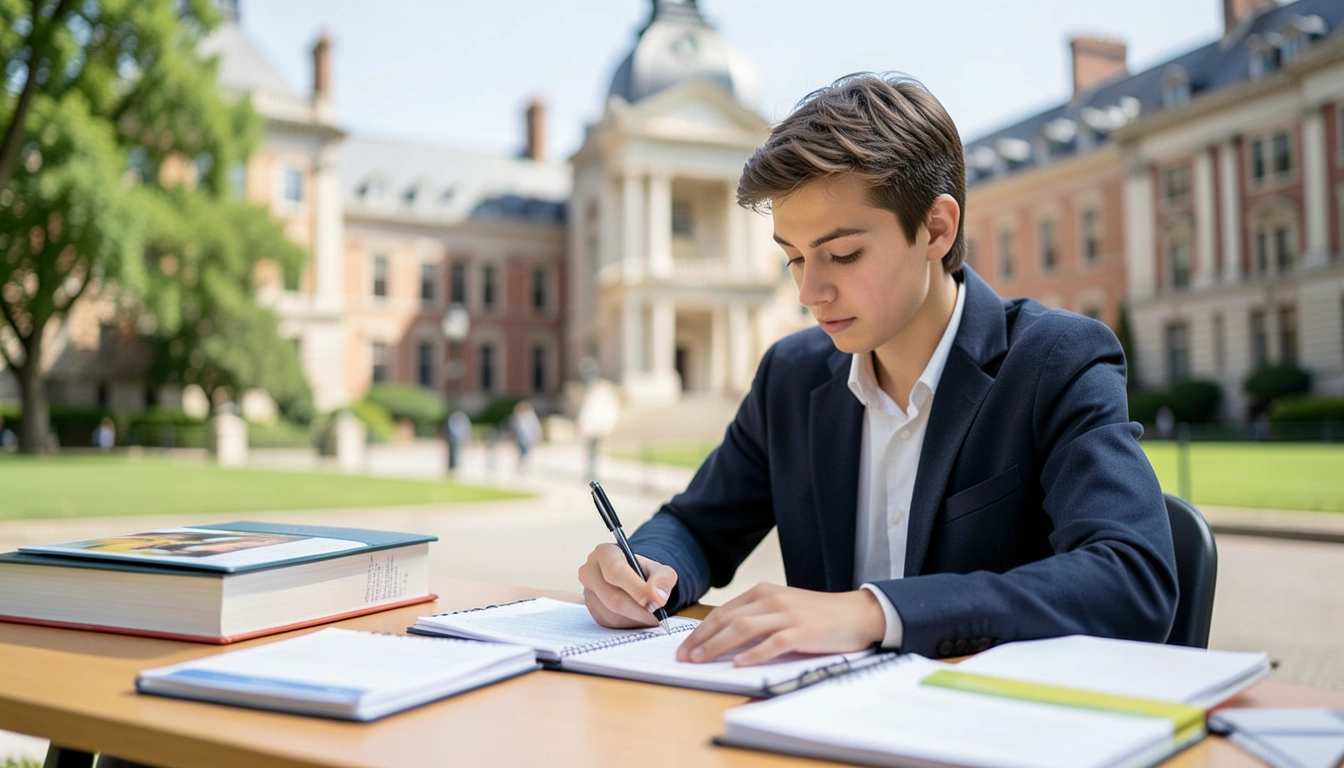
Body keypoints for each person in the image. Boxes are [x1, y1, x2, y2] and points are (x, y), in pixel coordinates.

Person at [578, 73, 1176, 666]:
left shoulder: (1056, 360)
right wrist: (646, 567)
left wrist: (872, 612)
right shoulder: (791, 374)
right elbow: (697, 524)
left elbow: (1132, 577)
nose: (811, 291)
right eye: (793, 258)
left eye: (842, 254)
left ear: (936, 229)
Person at [510, 400, 543, 473]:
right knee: (524, 453)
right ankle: (523, 467)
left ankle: (523, 467)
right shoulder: (522, 418)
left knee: (525, 453)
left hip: (526, 438)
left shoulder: (529, 418)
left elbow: (533, 429)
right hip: (523, 439)